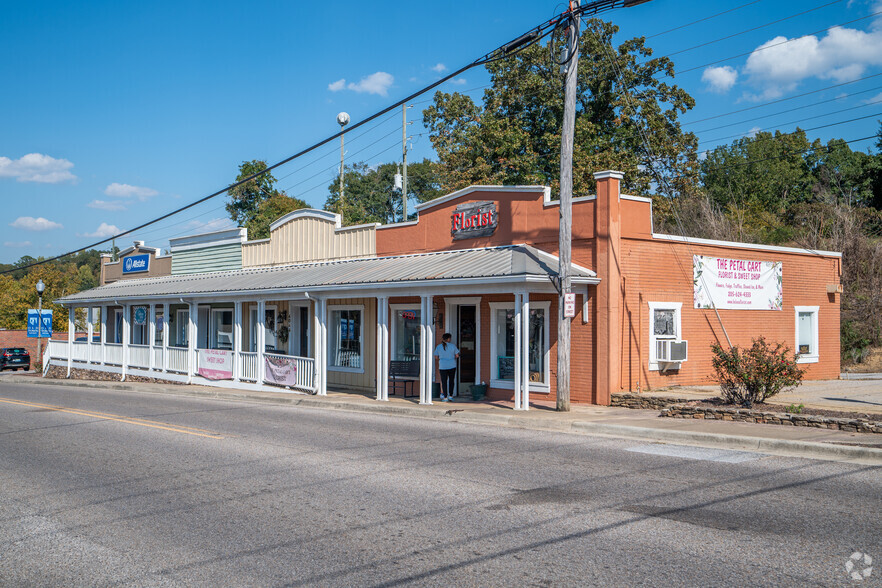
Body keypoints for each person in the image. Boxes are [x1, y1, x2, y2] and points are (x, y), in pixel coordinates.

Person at [433, 333, 460, 402]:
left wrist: (441, 358)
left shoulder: (438, 347)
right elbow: (457, 356)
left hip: (442, 366)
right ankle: (450, 396)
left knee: (444, 381)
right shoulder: (453, 346)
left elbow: (436, 357)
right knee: (451, 381)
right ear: (448, 339)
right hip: (452, 365)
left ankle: (445, 397)